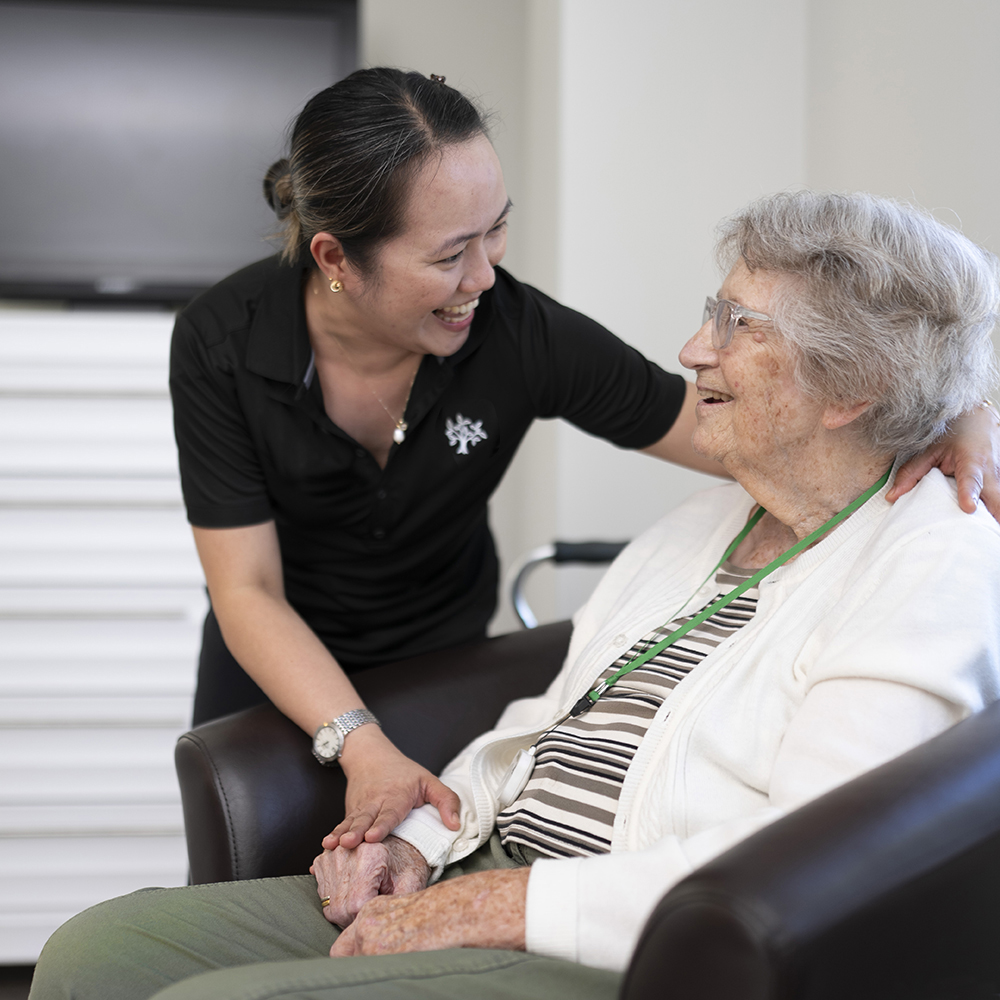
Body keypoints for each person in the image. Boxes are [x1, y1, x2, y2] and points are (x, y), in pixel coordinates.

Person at [32, 191, 1000, 1000]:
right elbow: (547, 720)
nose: (691, 349)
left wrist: (486, 906)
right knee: (95, 955)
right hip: (481, 862)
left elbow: (802, 864)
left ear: (851, 388)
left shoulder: (930, 564)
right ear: (336, 260)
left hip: (615, 937)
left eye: (734, 326)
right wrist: (416, 845)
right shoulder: (707, 522)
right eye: (712, 313)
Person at [170, 67, 1000, 852]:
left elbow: (742, 428)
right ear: (335, 260)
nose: (484, 276)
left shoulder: (517, 334)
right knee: (258, 872)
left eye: (497, 229)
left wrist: (947, 407)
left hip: (434, 659)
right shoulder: (222, 341)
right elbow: (248, 590)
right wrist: (360, 744)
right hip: (276, 662)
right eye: (449, 255)